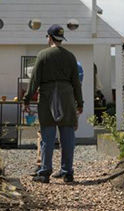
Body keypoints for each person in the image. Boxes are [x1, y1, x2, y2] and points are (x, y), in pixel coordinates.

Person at [24, 25, 83, 183]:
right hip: (67, 98)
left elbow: (34, 80)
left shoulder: (43, 55)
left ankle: (45, 172)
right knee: (68, 138)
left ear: (49, 37)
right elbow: (76, 83)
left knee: (47, 137)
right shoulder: (70, 57)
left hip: (47, 97)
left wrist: (27, 99)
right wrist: (80, 103)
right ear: (61, 39)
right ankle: (67, 172)